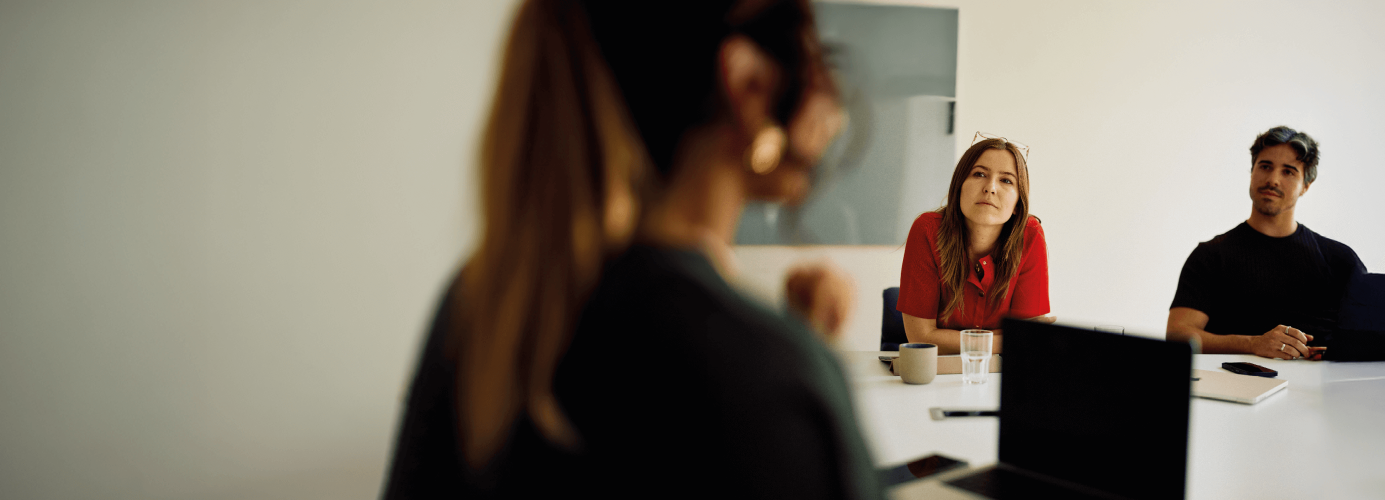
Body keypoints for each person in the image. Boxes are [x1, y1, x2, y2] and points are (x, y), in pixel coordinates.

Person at [381, 1, 880, 498]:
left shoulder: (478, 305)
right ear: (748, 85)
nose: (831, 104)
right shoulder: (770, 378)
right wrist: (793, 354)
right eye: (811, 53)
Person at [1165, 126, 1367, 361]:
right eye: (1265, 167)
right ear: (1252, 172)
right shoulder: (1210, 256)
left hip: (1321, 395)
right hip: (1234, 390)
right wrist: (1253, 344)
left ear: (1306, 186)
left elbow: (1372, 337)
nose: (1273, 180)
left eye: (1289, 172)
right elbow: (1178, 336)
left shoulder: (1339, 260)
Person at [897, 137, 1051, 355]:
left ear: (1018, 204)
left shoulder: (1031, 234)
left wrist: (1020, 338)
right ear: (959, 186)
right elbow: (921, 337)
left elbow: (1028, 341)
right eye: (979, 174)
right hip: (936, 377)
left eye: (1006, 180)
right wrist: (1003, 340)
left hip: (999, 375)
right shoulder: (927, 230)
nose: (990, 188)